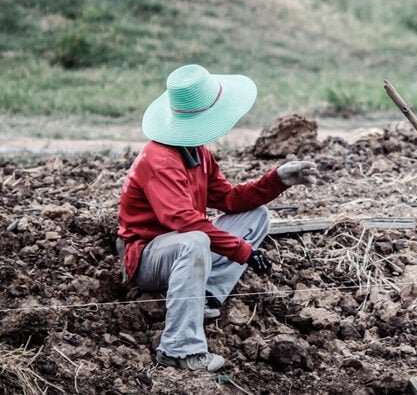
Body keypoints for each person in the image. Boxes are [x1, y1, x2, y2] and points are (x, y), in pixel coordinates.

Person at [116, 64, 315, 372]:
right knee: (194, 241)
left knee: (256, 215)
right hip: (147, 255)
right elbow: (186, 223)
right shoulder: (159, 160)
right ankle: (179, 349)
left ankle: (205, 297)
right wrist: (242, 251)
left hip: (181, 245)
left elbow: (229, 200)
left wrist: (277, 180)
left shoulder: (196, 152)